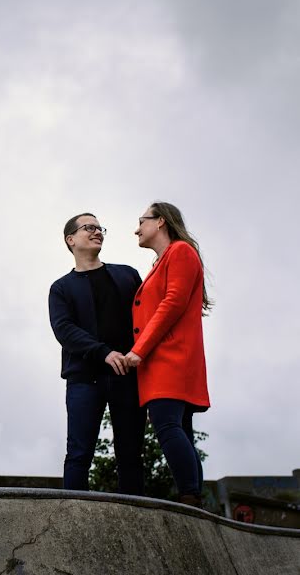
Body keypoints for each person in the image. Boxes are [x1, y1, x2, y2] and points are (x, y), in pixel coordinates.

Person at [48, 213, 146, 495]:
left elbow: (146, 317)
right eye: (88, 227)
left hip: (128, 376)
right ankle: (74, 516)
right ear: (71, 240)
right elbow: (64, 330)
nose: (97, 232)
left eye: (99, 228)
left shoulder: (127, 275)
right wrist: (102, 352)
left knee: (130, 452)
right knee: (79, 453)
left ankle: (135, 515)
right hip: (84, 379)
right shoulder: (61, 288)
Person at [124, 202, 211, 507]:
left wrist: (139, 350)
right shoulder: (163, 261)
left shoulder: (180, 252)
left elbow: (172, 303)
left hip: (169, 357)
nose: (137, 229)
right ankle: (192, 496)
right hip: (164, 358)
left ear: (160, 221)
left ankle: (189, 497)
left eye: (141, 221)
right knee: (179, 428)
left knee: (168, 426)